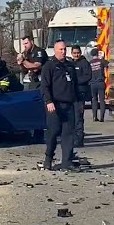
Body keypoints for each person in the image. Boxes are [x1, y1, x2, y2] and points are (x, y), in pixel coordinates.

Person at [39, 39, 79, 171]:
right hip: (54, 105)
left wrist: (78, 102)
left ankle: (67, 162)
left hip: (69, 105)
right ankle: (48, 158)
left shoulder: (70, 66)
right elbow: (44, 86)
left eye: (64, 49)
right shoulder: (49, 66)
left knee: (68, 134)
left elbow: (75, 85)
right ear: (55, 50)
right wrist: (48, 101)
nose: (63, 51)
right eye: (61, 49)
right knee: (53, 133)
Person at [70, 45, 91, 147]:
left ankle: (79, 140)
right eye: (74, 53)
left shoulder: (84, 63)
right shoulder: (69, 63)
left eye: (77, 53)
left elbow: (88, 76)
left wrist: (77, 82)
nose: (76, 55)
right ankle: (72, 138)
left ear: (80, 52)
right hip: (70, 94)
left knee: (78, 117)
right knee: (71, 117)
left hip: (80, 93)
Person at [88, 48, 108, 122]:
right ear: (97, 53)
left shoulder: (89, 63)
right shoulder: (101, 61)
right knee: (102, 100)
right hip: (100, 83)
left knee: (94, 100)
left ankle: (94, 116)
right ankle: (102, 117)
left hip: (92, 84)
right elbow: (111, 64)